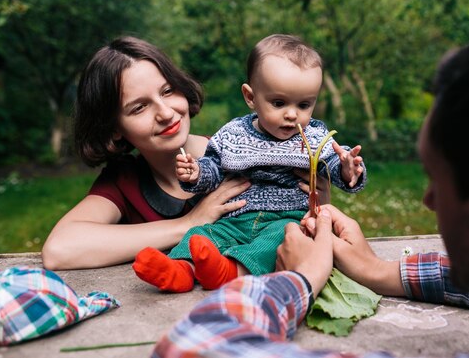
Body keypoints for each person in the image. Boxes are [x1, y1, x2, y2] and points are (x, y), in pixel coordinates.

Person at [152, 11, 469, 358]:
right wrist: (375, 271)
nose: (427, 200)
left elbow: (198, 345)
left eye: (437, 182)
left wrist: (303, 276)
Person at [40, 36, 318, 270]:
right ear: (114, 128)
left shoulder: (242, 152)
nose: (165, 113)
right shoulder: (124, 182)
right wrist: (189, 224)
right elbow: (59, 250)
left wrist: (320, 200)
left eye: (168, 91)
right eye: (139, 107)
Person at [132, 34, 366, 293]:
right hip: (236, 216)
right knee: (203, 235)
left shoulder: (313, 135)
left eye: (304, 104)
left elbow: (331, 160)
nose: (291, 114)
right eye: (278, 103)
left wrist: (346, 169)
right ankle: (180, 269)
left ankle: (230, 272)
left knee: (276, 242)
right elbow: (214, 167)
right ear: (251, 97)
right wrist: (196, 173)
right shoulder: (233, 133)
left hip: (287, 218)